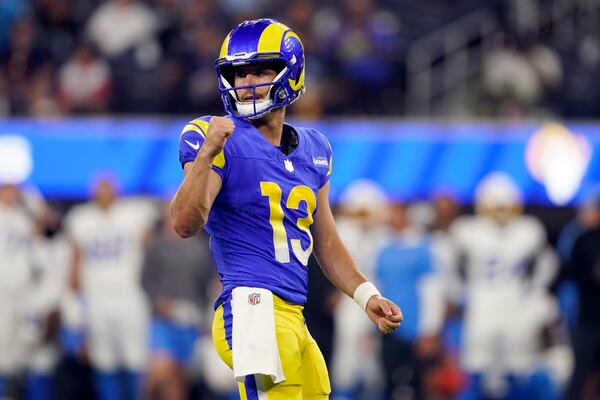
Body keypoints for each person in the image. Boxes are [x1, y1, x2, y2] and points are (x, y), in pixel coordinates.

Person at [170, 18, 403, 399]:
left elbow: (325, 241)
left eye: (260, 70)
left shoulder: (315, 148)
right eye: (239, 73)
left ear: (290, 72)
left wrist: (366, 295)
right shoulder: (212, 135)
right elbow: (184, 222)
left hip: (294, 314)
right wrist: (207, 154)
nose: (247, 83)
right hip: (251, 306)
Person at [64, 176, 157, 400]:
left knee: (135, 358)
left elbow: (151, 241)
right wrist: (74, 298)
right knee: (103, 360)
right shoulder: (81, 218)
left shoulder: (134, 212)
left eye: (109, 186)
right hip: (97, 298)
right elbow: (75, 261)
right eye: (100, 187)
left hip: (130, 295)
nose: (104, 191)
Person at [141, 203, 215, 400]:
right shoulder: (157, 245)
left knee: (178, 380)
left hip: (191, 321)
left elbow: (207, 284)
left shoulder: (200, 248)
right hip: (164, 322)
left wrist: (204, 317)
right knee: (159, 372)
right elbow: (146, 281)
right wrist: (159, 303)